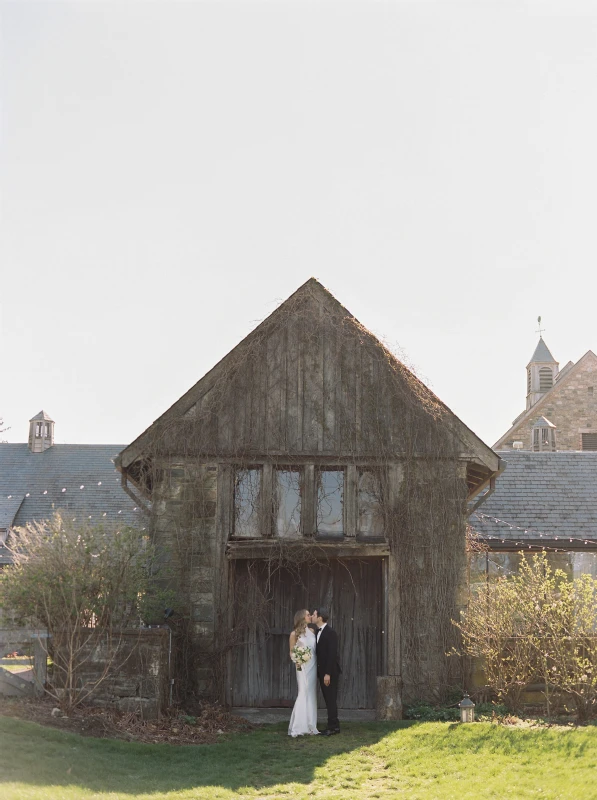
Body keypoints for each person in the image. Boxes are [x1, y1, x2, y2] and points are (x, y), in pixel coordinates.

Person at [288, 608, 319, 737]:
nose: (310, 616)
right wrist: (297, 659)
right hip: (302, 667)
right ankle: (299, 726)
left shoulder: (312, 631)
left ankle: (311, 725)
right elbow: (291, 651)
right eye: (307, 614)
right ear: (302, 617)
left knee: (311, 693)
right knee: (303, 692)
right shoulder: (294, 634)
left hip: (313, 665)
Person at [312, 608, 341, 735]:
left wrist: (327, 674)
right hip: (322, 672)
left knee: (330, 699)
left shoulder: (330, 632)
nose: (312, 616)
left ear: (319, 617)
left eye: (313, 614)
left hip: (330, 673)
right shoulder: (317, 632)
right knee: (328, 699)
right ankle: (333, 725)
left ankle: (333, 727)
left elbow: (332, 655)